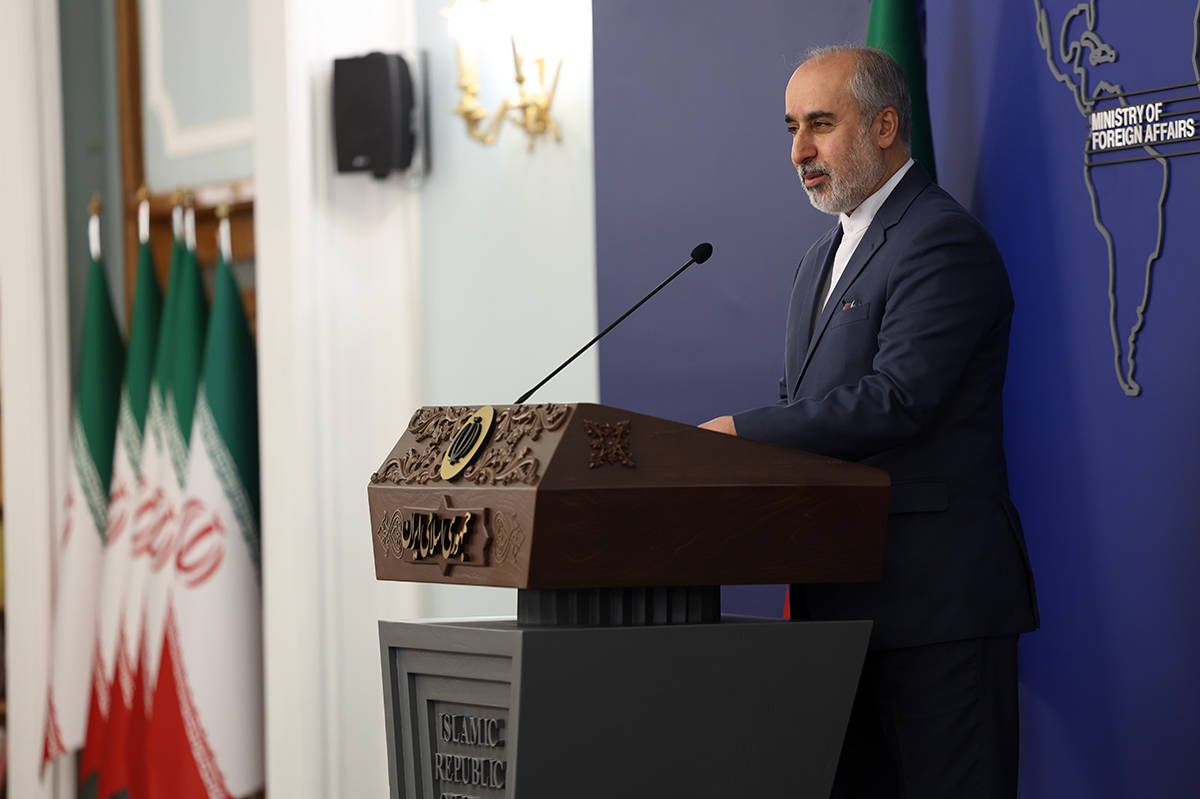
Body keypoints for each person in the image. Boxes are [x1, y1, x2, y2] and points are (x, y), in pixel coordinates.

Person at [700, 47, 1039, 798]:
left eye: (820, 124)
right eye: (792, 128)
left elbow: (901, 397)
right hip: (837, 606)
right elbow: (807, 410)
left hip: (934, 608)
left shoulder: (941, 239)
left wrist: (740, 435)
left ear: (885, 126)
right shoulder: (816, 262)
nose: (799, 151)